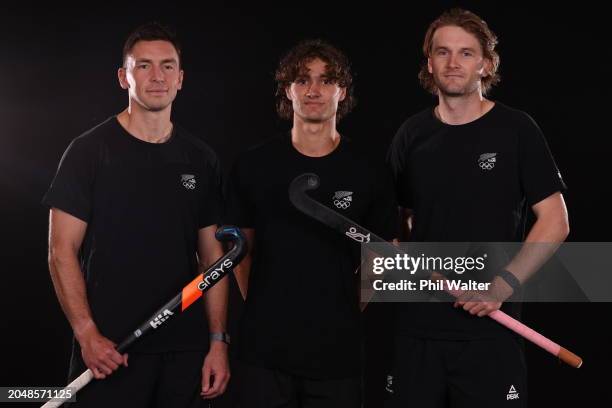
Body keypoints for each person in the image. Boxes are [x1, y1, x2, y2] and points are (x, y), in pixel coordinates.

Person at [386, 8, 569, 408]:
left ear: (486, 64)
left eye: (467, 53)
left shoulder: (517, 129)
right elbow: (399, 223)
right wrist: (396, 250)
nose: (453, 63)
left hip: (492, 329)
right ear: (429, 63)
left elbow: (555, 221)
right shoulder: (410, 135)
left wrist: (501, 286)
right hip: (418, 329)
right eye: (443, 52)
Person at [43, 22, 230, 407]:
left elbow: (213, 260)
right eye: (143, 66)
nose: (157, 76)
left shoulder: (201, 159)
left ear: (180, 78)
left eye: (167, 66)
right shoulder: (88, 152)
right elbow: (61, 251)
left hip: (184, 352)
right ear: (123, 78)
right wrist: (87, 334)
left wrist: (216, 342)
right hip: (111, 351)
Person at [224, 39, 397, 407]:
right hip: (263, 353)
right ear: (288, 90)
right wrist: (270, 306)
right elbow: (241, 254)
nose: (313, 90)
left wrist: (342, 308)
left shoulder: (369, 171)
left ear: (342, 91)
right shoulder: (254, 166)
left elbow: (380, 258)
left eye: (325, 80)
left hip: (337, 354)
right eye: (302, 80)